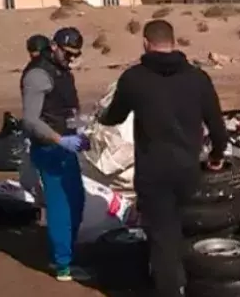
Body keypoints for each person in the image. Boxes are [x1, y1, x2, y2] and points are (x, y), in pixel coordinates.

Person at [98, 19, 229, 297]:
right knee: (181, 228)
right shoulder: (198, 78)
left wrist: (102, 115)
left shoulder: (133, 78)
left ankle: (171, 287)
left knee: (162, 237)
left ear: (146, 43)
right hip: (188, 171)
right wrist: (216, 157)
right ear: (174, 42)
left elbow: (115, 116)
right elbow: (218, 128)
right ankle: (185, 281)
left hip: (153, 172)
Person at [21, 27, 90, 282]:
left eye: (75, 55)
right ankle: (63, 265)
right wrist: (61, 139)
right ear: (54, 46)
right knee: (61, 206)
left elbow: (66, 108)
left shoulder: (62, 72)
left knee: (77, 201)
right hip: (50, 148)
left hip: (65, 145)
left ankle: (68, 254)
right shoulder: (38, 75)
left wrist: (80, 130)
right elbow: (30, 119)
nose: (71, 59)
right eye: (68, 53)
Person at [19, 35, 51, 200]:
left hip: (39, 128)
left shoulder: (32, 70)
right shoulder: (47, 69)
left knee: (37, 175)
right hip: (45, 128)